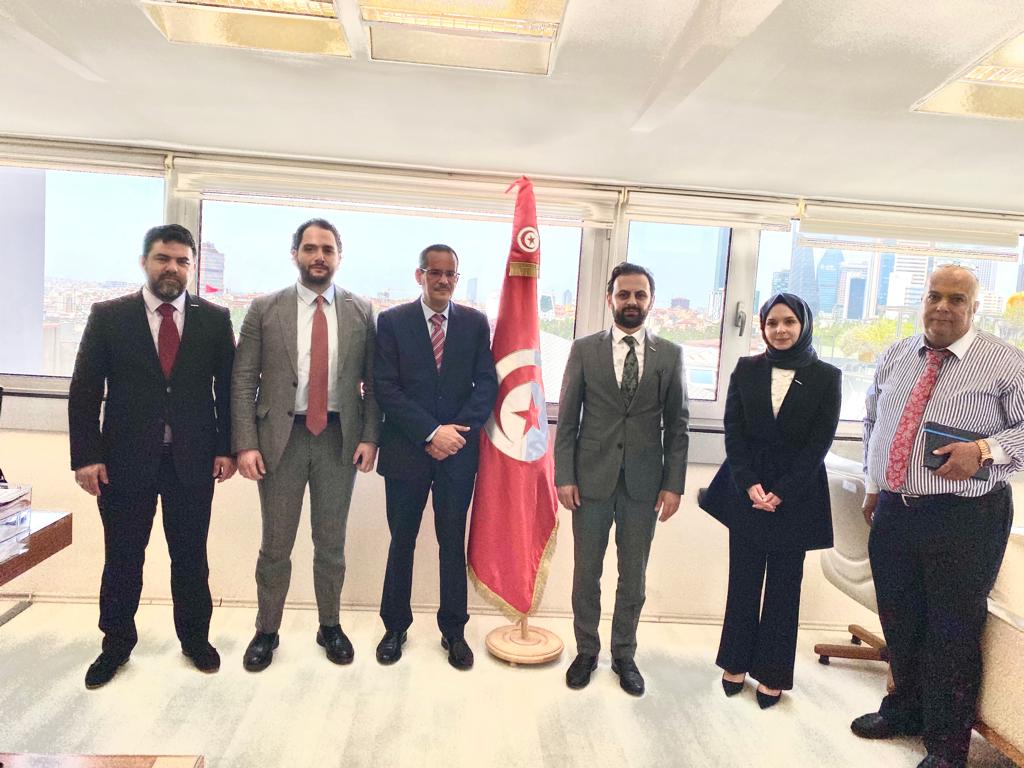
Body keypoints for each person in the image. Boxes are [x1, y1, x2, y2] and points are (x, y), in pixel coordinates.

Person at [852, 264, 1022, 768]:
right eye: (935, 296)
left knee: (952, 630)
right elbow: (872, 420)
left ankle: (947, 746)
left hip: (967, 515)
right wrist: (874, 486)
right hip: (896, 511)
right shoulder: (898, 354)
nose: (944, 307)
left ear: (974, 308)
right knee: (899, 619)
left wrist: (984, 450)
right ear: (922, 301)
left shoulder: (1005, 362)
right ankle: (904, 710)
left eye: (957, 299)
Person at [68, 223, 236, 689]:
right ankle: (116, 645)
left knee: (190, 557)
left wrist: (226, 448)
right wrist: (86, 456)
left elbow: (227, 390)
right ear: (144, 261)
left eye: (182, 261)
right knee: (123, 558)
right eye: (163, 258)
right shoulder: (109, 315)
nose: (172, 268)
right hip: (123, 462)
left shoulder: (214, 319)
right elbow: (85, 390)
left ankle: (196, 640)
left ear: (191, 268)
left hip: (193, 461)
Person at [231, 218, 379, 671]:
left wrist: (370, 436)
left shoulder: (361, 311)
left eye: (327, 249)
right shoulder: (265, 309)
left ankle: (329, 625)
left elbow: (373, 383)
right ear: (294, 253)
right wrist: (245, 444)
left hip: (338, 438)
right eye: (310, 248)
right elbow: (243, 380)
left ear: (339, 257)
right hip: (281, 440)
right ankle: (267, 629)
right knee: (276, 544)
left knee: (331, 544)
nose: (319, 257)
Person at [699, 293, 841, 708]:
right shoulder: (747, 369)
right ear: (762, 327)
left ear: (804, 324)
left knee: (784, 588)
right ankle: (734, 663)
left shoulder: (826, 376)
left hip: (796, 496)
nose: (780, 330)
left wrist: (783, 490)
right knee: (742, 581)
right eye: (772, 323)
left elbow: (819, 443)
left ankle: (773, 673)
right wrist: (749, 484)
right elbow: (734, 430)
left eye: (789, 322)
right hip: (746, 492)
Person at [555, 261, 689, 696]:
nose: (632, 301)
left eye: (640, 295)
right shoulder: (584, 350)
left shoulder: (670, 355)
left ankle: (624, 654)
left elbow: (678, 425)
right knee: (586, 573)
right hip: (590, 480)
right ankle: (586, 651)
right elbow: (567, 420)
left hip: (644, 484)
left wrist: (673, 484)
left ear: (651, 301)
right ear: (609, 298)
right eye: (624, 294)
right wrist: (564, 475)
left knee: (634, 576)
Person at [373, 244, 497, 670]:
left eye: (450, 274)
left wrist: (454, 434)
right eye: (435, 272)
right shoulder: (392, 322)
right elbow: (386, 387)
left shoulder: (475, 324)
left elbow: (486, 384)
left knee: (452, 543)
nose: (443, 280)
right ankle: (394, 628)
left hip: (457, 455)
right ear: (419, 275)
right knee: (401, 542)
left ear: (456, 279)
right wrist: (430, 432)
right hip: (406, 450)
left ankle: (454, 631)